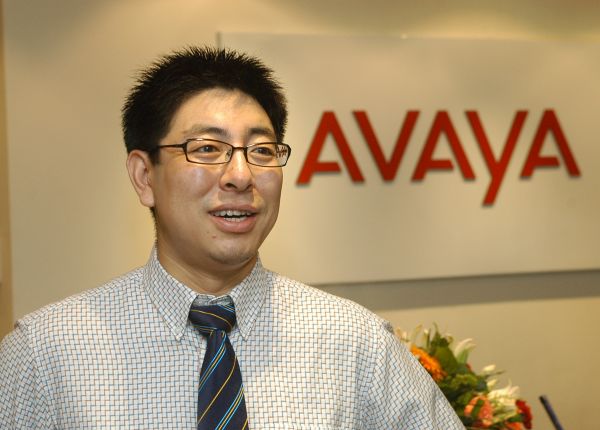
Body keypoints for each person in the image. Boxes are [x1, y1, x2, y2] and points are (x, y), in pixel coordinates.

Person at [0, 46, 464, 429]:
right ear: (144, 176)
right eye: (207, 148)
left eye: (261, 150)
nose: (241, 175)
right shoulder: (45, 354)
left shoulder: (355, 341)